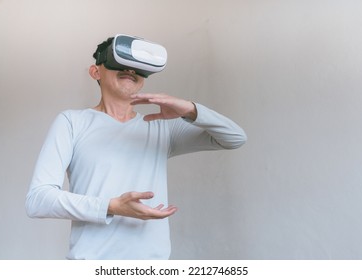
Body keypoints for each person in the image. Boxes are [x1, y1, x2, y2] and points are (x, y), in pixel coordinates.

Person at [25, 36, 247, 260]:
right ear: (96, 72)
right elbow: (38, 200)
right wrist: (111, 207)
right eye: (120, 63)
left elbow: (235, 137)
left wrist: (189, 109)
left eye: (138, 67)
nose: (130, 69)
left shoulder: (161, 128)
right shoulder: (72, 122)